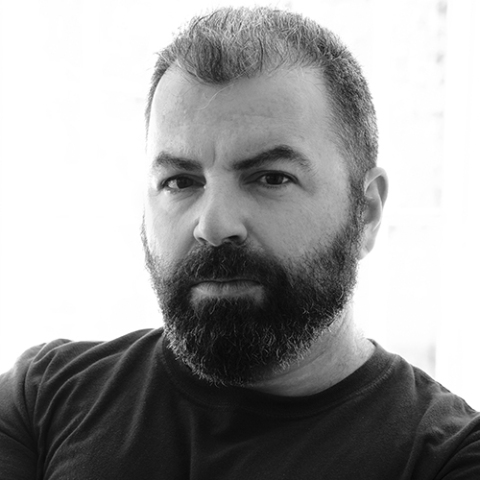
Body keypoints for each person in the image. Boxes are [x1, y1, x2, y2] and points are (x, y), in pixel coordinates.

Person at [1, 6, 479, 479]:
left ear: (366, 210)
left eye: (271, 177)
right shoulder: (42, 400)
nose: (213, 225)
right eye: (180, 181)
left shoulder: (448, 458)